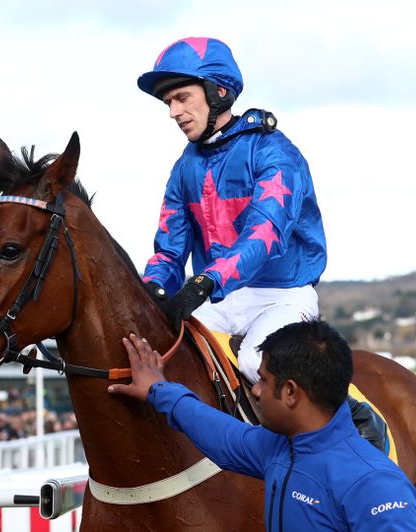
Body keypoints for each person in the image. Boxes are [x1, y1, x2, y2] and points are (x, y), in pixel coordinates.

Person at [108, 320, 416, 530]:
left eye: (262, 379)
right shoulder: (277, 447)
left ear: (289, 392)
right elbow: (220, 432)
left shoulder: (376, 485)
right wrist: (158, 389)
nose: (255, 390)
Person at [137, 36, 327, 384]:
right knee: (161, 357)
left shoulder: (274, 151)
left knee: (258, 366)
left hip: (281, 296)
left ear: (218, 91)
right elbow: (169, 250)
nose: (173, 112)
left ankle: (351, 419)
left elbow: (265, 233)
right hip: (217, 299)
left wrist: (208, 280)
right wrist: (151, 288)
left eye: (182, 98)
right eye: (168, 102)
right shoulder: (184, 168)